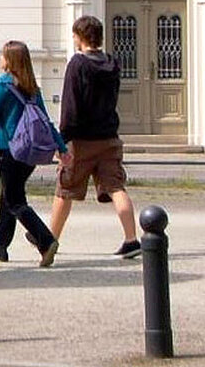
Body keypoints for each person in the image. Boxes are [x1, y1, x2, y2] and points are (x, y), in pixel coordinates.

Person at [48, 15, 140, 258]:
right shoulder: (112, 63)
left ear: (80, 37)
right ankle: (132, 239)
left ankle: (50, 241)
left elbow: (70, 106)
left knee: (65, 189)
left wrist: (62, 140)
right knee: (116, 187)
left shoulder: (77, 64)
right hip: (108, 136)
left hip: (81, 140)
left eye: (74, 35)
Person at [0, 40, 66, 266]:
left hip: (10, 150)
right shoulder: (32, 88)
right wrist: (61, 147)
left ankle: (46, 240)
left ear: (10, 60)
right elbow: (46, 121)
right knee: (7, 196)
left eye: (2, 55)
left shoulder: (1, 85)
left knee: (14, 201)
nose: (0, 58)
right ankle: (0, 246)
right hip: (30, 153)